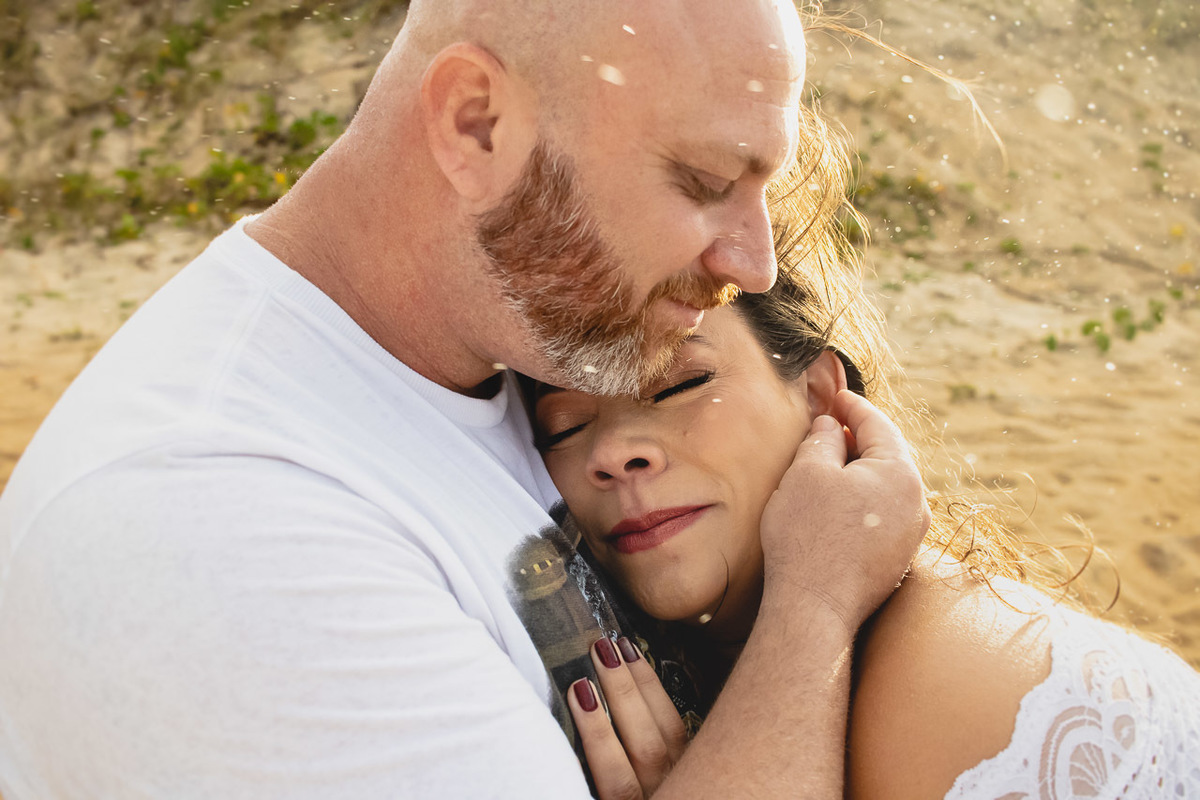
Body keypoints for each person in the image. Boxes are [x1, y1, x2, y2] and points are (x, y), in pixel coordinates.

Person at [0, 2, 931, 798]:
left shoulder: (507, 360)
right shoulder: (213, 524)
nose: (753, 261)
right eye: (703, 183)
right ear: (476, 123)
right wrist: (811, 615)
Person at [530, 204, 1200, 799]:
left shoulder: (949, 687)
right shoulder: (723, 678)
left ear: (821, 397)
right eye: (563, 427)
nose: (612, 453)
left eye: (680, 384)